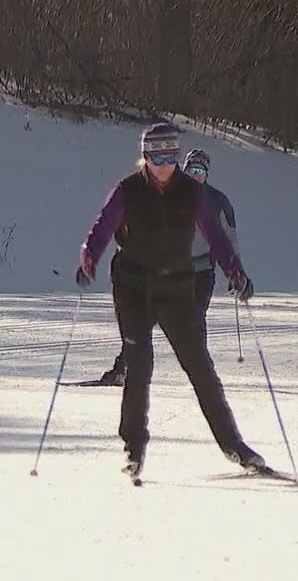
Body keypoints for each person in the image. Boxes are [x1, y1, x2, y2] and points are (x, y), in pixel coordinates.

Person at [74, 123, 264, 478]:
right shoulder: (128, 190)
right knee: (139, 364)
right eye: (157, 155)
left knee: (201, 368)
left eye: (171, 155)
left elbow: (216, 237)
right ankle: (133, 449)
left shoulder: (191, 193)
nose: (164, 164)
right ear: (145, 156)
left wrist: (235, 273)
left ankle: (234, 446)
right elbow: (102, 227)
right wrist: (89, 257)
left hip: (177, 288)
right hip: (133, 287)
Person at [95, 148, 240, 386]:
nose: (196, 175)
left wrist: (235, 272)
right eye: (191, 170)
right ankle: (123, 369)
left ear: (207, 175)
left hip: (201, 271)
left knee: (194, 320)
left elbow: (229, 238)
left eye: (200, 171)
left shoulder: (218, 201)